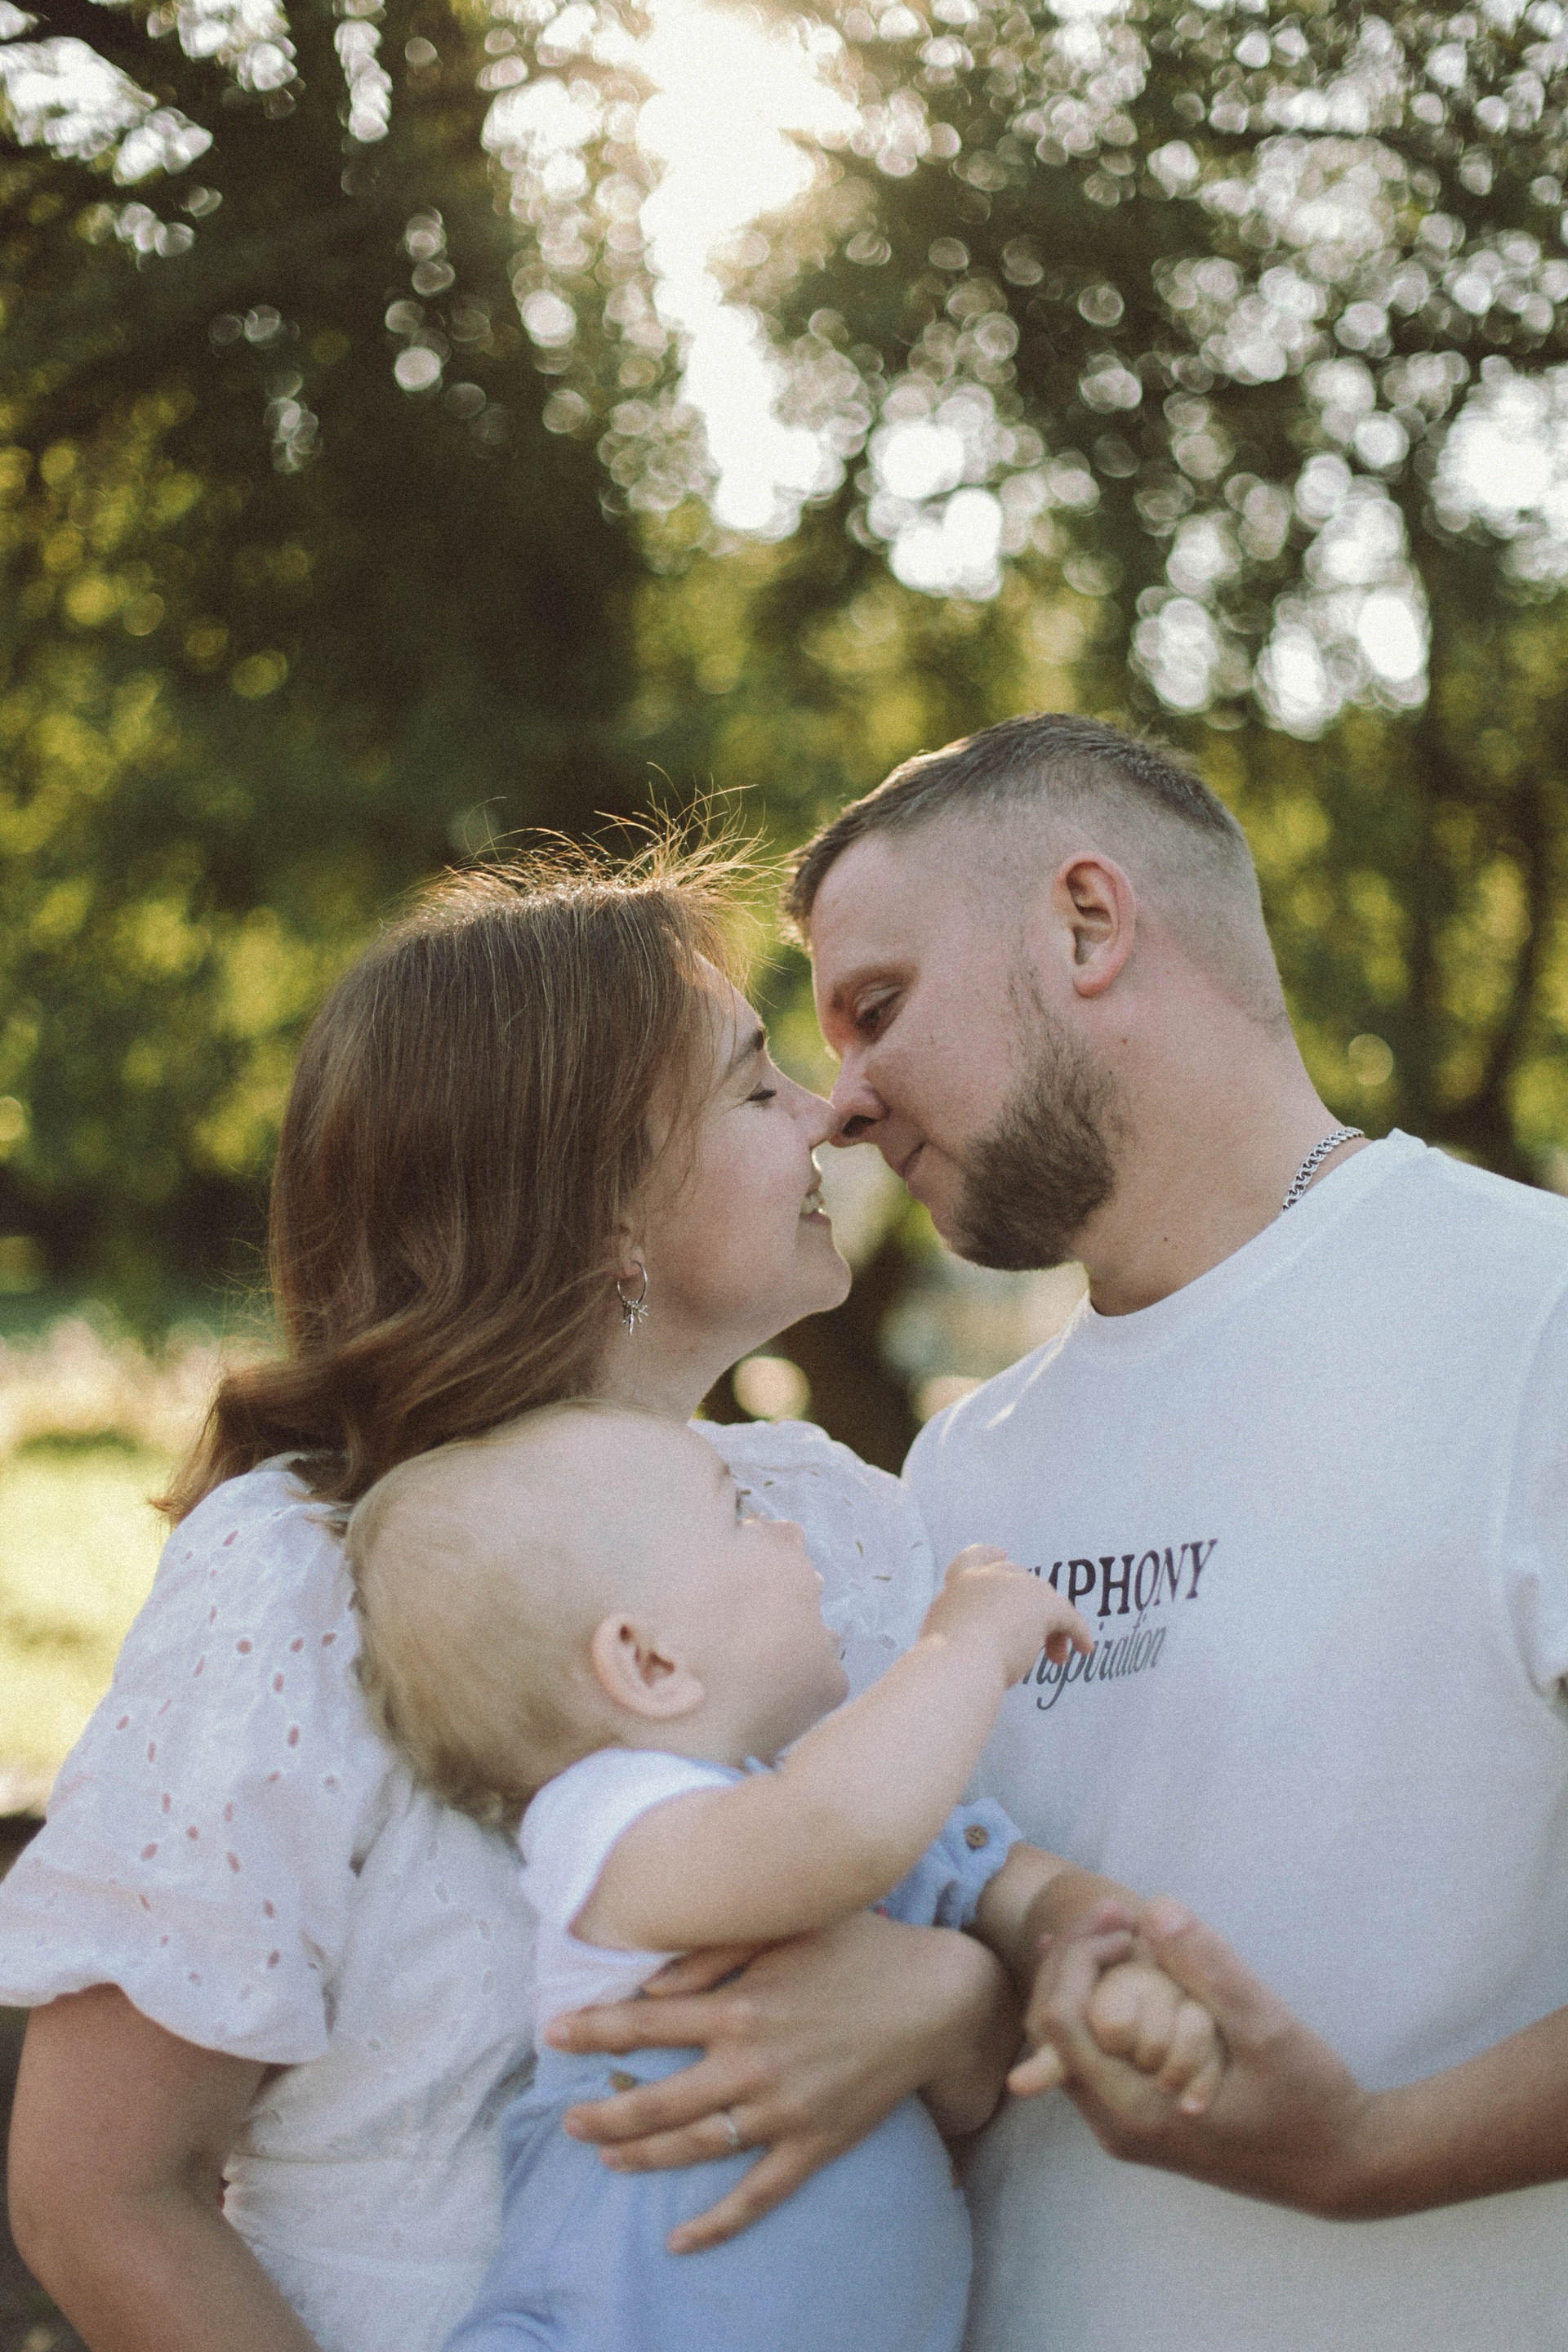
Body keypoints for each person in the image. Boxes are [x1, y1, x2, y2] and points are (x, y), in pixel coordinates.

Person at [2, 851, 1021, 2352]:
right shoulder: (302, 1577)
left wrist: (949, 1999)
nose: (832, 1111)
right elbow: (100, 2194)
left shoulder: (841, 1524)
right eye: (756, 1089)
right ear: (602, 1212)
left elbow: (988, 1963)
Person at [789, 710, 1568, 2352]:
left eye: (879, 1008)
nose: (838, 1105)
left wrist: (1365, 2157)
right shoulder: (958, 1472)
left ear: (1088, 923)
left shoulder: (1536, 1322)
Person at [345, 1405, 1223, 2352]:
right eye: (739, 1514)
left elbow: (1030, 1897)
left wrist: (1129, 1970)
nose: (789, 1529)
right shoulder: (609, 1822)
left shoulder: (829, 1798)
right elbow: (834, 1830)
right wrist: (964, 1646)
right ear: (648, 1661)